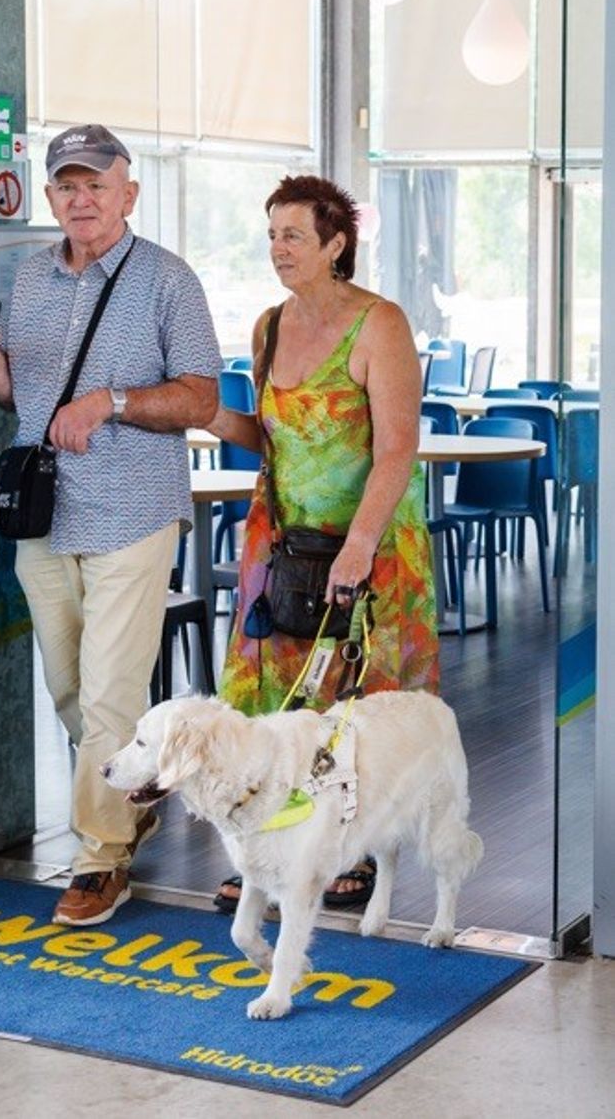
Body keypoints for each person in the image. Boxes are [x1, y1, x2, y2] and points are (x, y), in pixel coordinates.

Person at [0, 124, 221, 927]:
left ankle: (100, 858)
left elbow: (202, 401)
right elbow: (21, 403)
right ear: (50, 198)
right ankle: (134, 790)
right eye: (67, 185)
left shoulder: (168, 281)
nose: (81, 199)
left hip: (132, 510)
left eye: (96, 185)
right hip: (44, 513)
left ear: (128, 194)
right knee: (69, 688)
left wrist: (113, 401)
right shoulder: (29, 280)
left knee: (108, 692)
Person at [208, 174, 439, 912]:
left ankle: (355, 850)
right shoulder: (269, 326)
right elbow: (268, 436)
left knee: (360, 703)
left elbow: (398, 449)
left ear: (336, 245)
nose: (278, 249)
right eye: (272, 234)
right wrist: (207, 413)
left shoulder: (381, 324)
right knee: (279, 693)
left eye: (293, 236)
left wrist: (359, 546)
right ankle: (277, 845)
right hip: (282, 540)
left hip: (367, 543)